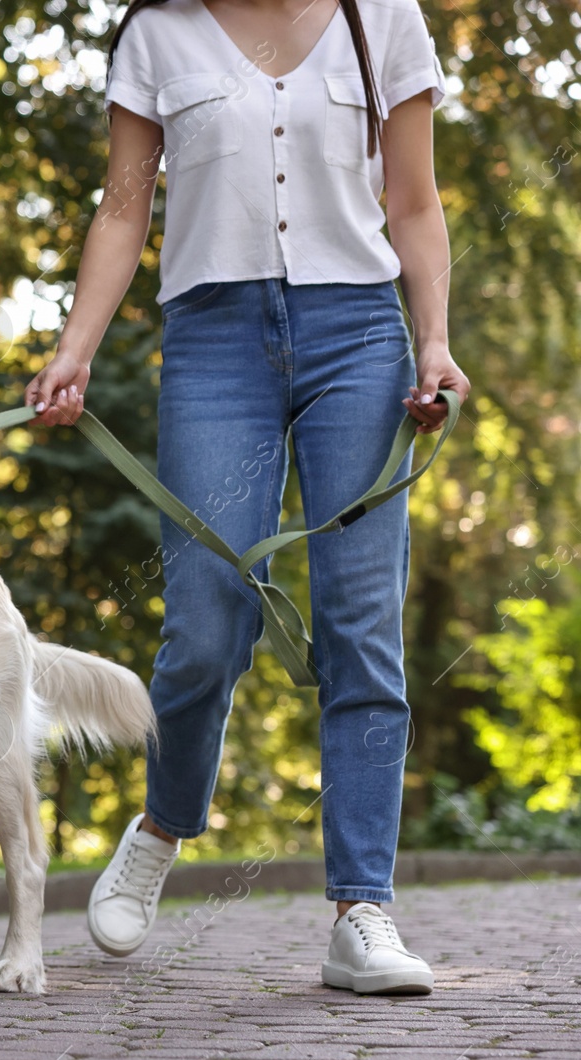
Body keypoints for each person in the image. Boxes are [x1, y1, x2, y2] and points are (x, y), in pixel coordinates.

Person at [25, 0, 469, 994]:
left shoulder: (380, 18)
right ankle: (160, 825)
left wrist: (432, 338)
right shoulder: (154, 35)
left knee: (360, 623)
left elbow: (413, 201)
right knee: (204, 625)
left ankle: (362, 909)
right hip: (212, 343)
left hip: (358, 336)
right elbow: (123, 206)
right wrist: (74, 350)